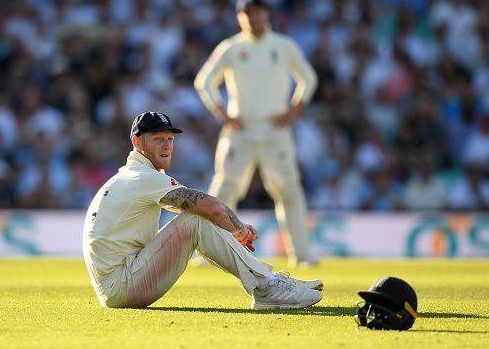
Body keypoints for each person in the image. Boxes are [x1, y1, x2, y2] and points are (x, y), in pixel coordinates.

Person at [83, 111, 323, 309]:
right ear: (137, 142)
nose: (167, 146)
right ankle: (266, 286)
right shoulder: (141, 177)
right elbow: (211, 207)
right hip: (122, 285)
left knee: (197, 218)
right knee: (195, 219)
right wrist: (239, 230)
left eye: (170, 139)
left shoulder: (130, 176)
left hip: (118, 284)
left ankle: (267, 281)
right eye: (158, 139)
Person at [194, 0, 318, 267]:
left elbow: (308, 79)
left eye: (258, 11)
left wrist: (295, 110)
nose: (253, 17)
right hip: (242, 129)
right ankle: (209, 252)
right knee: (225, 188)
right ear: (240, 17)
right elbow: (204, 82)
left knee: (289, 190)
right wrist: (222, 113)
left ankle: (302, 255)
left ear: (267, 13)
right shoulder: (232, 47)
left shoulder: (283, 46)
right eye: (247, 13)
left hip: (275, 129)